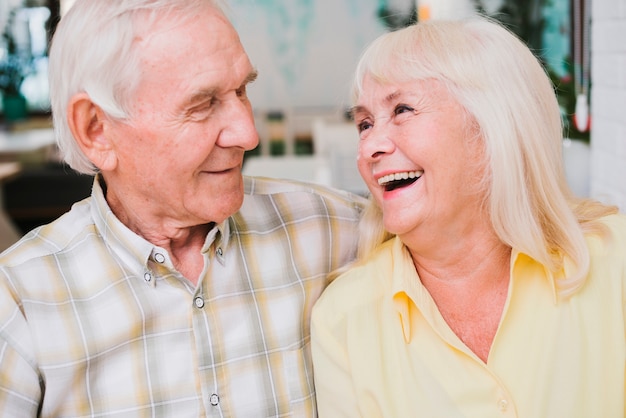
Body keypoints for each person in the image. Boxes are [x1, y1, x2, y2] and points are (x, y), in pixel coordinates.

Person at [0, 1, 365, 416]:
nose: (248, 134)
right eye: (203, 103)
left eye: (242, 90)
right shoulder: (19, 306)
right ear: (96, 130)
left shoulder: (332, 230)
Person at [311, 16, 626, 417]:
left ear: (492, 127)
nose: (369, 145)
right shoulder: (343, 319)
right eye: (364, 124)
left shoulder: (615, 262)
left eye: (403, 109)